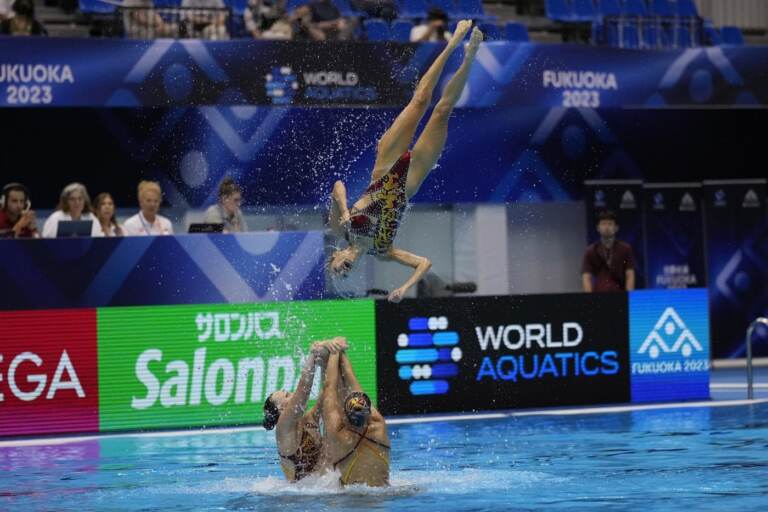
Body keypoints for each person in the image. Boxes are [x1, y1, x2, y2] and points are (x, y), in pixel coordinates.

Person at [328, 21, 483, 303]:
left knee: (420, 99)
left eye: (337, 271)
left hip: (383, 168)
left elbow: (338, 186)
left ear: (335, 257)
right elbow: (424, 263)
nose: (343, 273)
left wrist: (343, 209)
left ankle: (452, 43)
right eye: (345, 277)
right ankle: (470, 57)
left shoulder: (341, 229)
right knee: (442, 111)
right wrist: (405, 287)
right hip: (408, 185)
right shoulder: (383, 252)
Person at [263, 338, 348, 482]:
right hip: (303, 496)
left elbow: (328, 394)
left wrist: (325, 363)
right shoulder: (283, 430)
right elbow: (303, 392)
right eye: (287, 395)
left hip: (326, 484)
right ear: (281, 408)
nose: (292, 394)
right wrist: (313, 354)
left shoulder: (308, 419)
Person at [318, 350, 390, 487]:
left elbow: (329, 388)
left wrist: (334, 351)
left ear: (344, 415)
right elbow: (353, 382)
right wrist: (342, 354)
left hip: (349, 499)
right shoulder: (379, 426)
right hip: (382, 496)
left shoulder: (338, 434)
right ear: (369, 413)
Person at [581, 210, 636, 293]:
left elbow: (630, 274)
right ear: (598, 228)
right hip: (598, 296)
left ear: (616, 228)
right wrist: (589, 299)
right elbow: (586, 277)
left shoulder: (625, 249)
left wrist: (629, 296)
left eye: (610, 224)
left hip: (620, 295)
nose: (607, 227)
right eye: (603, 224)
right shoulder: (591, 250)